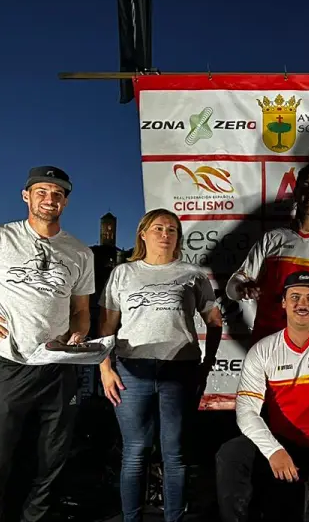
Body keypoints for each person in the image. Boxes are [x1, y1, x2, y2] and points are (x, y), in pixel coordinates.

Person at [0, 166, 95, 522]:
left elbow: (81, 311)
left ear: (65, 202)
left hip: (57, 368)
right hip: (4, 364)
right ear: (26, 196)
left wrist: (79, 333)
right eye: (41, 191)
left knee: (49, 466)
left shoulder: (79, 252)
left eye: (57, 194)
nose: (50, 199)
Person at [98, 209, 224, 522]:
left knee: (175, 454)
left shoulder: (193, 274)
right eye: (158, 228)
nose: (165, 234)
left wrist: (207, 363)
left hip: (180, 370)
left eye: (171, 229)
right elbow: (106, 326)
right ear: (143, 234)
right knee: (135, 452)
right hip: (131, 371)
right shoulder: (123, 273)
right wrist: (104, 368)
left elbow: (214, 320)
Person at [215, 271, 309, 522]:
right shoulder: (263, 350)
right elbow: (246, 411)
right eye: (295, 297)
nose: (302, 304)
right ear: (283, 302)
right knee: (231, 453)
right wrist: (274, 451)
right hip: (284, 448)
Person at [226, 164, 309, 342]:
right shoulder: (272, 239)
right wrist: (242, 288)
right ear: (295, 193)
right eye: (306, 186)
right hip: (268, 342)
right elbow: (232, 287)